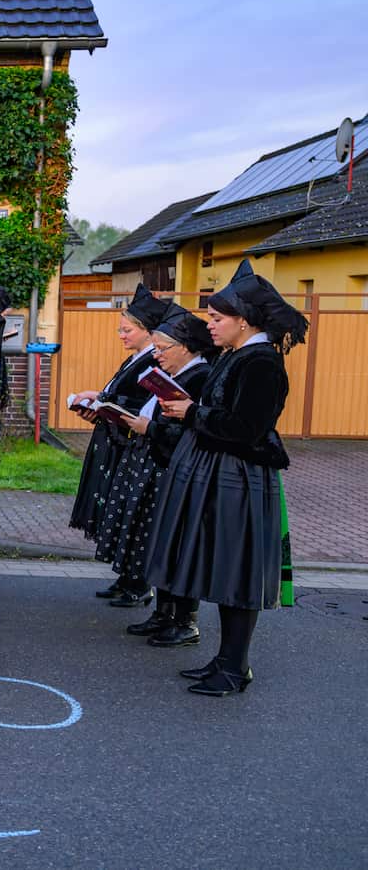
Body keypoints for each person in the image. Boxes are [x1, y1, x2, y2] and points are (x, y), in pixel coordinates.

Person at [143, 260, 308, 697]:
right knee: (222, 565)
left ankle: (236, 666)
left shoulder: (262, 363)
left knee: (236, 569)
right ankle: (225, 658)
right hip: (220, 470)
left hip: (239, 475)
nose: (209, 325)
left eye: (217, 319)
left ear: (244, 320)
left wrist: (192, 412)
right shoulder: (239, 355)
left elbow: (246, 429)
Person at [93, 306, 215, 636]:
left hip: (174, 468)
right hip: (158, 464)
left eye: (163, 349)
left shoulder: (200, 377)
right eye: (157, 349)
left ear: (187, 347)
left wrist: (150, 429)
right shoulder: (175, 374)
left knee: (175, 545)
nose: (157, 355)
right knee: (158, 544)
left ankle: (183, 620)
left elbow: (195, 430)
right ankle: (163, 614)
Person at [67, 283, 171, 599]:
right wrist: (97, 401)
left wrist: (105, 404)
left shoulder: (153, 360)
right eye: (120, 329)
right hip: (115, 441)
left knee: (129, 512)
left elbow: (143, 403)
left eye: (127, 330)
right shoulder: (136, 358)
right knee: (118, 510)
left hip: (129, 443)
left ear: (147, 332)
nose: (121, 335)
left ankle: (137, 581)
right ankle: (126, 576)